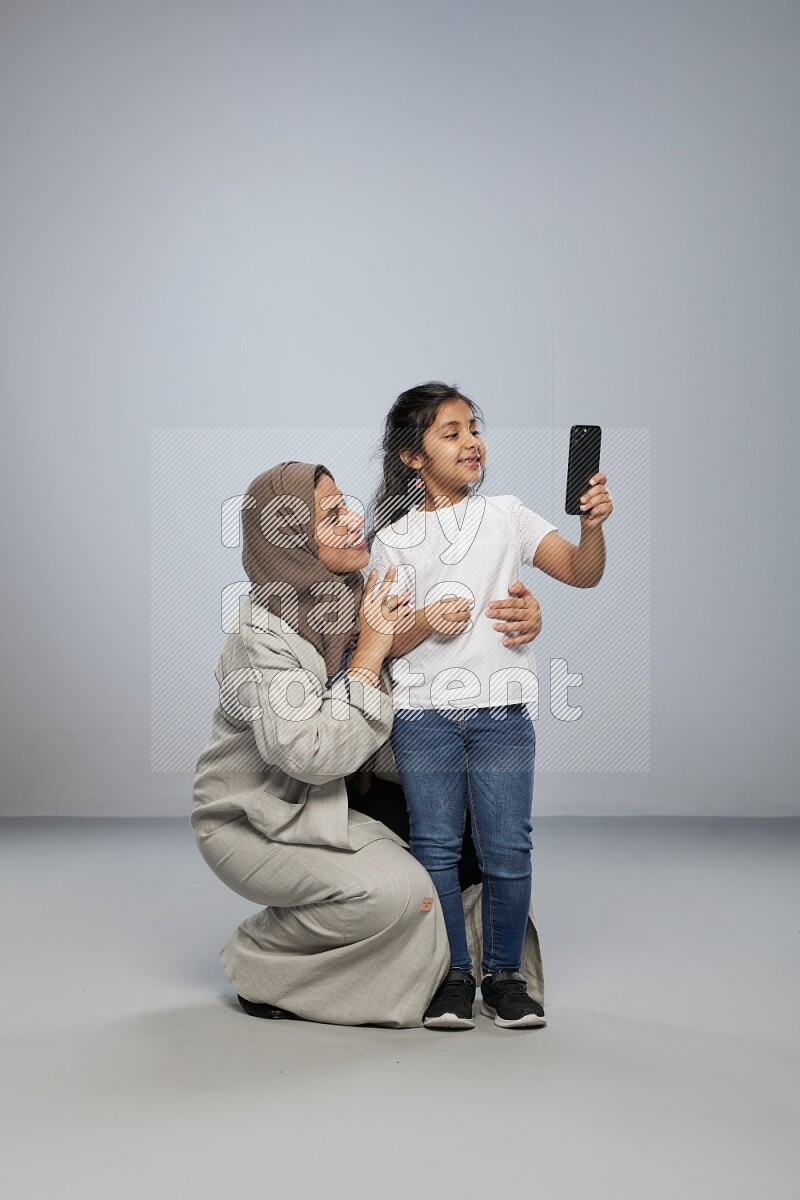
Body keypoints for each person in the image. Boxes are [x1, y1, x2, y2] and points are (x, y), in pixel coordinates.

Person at [190, 459, 549, 1029]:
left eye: (346, 504)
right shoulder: (260, 634)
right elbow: (311, 757)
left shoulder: (366, 596)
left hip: (335, 803)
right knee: (400, 893)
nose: (353, 519)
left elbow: (434, 674)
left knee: (465, 853)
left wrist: (517, 619)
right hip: (258, 820)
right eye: (330, 516)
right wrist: (370, 652)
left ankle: (471, 974)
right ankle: (263, 959)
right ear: (290, 542)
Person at [366, 382, 613, 1029]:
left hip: (501, 711)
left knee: (507, 849)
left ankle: (505, 978)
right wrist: (425, 620)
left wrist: (592, 527)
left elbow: (583, 573)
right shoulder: (393, 541)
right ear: (412, 457)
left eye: (472, 427)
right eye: (450, 432)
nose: (471, 441)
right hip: (423, 718)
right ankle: (450, 976)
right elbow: (383, 642)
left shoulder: (509, 514)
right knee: (437, 850)